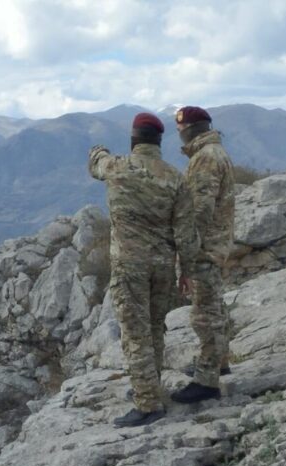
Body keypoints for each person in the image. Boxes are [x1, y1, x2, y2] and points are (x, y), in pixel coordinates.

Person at [88, 112, 200, 427]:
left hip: (130, 266)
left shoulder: (116, 167)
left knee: (135, 333)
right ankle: (150, 386)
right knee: (154, 328)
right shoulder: (174, 177)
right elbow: (185, 233)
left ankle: (148, 404)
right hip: (164, 266)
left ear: (134, 139)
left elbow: (95, 163)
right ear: (159, 140)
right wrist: (187, 271)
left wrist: (98, 149)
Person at [170, 106, 235, 404]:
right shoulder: (213, 152)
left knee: (204, 316)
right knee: (215, 308)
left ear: (190, 128)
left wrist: (186, 255)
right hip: (216, 245)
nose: (179, 133)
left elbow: (198, 212)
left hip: (205, 249)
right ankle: (219, 362)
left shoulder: (205, 158)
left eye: (181, 128)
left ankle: (207, 381)